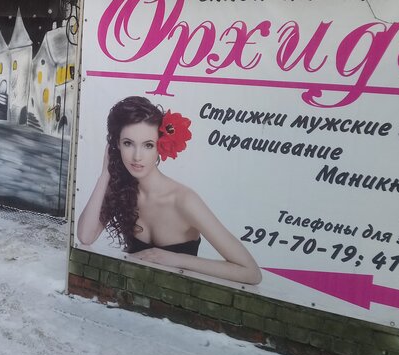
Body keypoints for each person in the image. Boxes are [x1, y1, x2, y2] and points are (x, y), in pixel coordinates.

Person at [76, 96, 262, 285]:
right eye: (128, 143)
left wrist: (176, 260)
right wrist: (105, 174)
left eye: (148, 145)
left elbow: (251, 273)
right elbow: (85, 236)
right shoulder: (121, 189)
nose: (137, 156)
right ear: (116, 144)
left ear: (160, 145)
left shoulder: (184, 200)